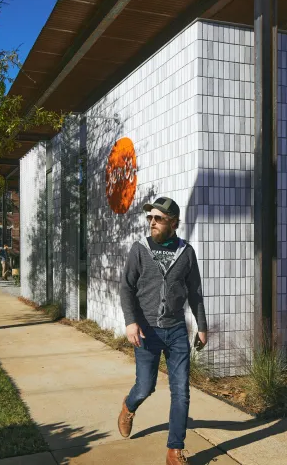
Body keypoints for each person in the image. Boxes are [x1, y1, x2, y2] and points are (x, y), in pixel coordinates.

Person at [118, 197, 207, 465]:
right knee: (145, 387)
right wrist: (131, 321)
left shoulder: (186, 252)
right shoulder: (140, 249)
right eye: (150, 218)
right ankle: (129, 406)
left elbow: (195, 293)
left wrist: (202, 326)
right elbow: (126, 288)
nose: (152, 223)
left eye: (158, 219)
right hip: (147, 330)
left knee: (181, 391)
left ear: (173, 223)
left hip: (177, 330)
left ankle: (174, 450)